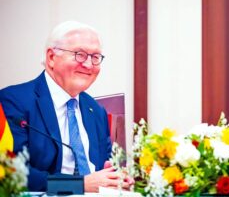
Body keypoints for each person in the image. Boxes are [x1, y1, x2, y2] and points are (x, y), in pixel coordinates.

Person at [0, 21, 131, 192]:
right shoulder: (13, 100)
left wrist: (114, 177)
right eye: (80, 54)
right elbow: (12, 172)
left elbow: (102, 170)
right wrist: (80, 185)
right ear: (51, 58)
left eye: (96, 57)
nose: (89, 65)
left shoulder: (96, 111)